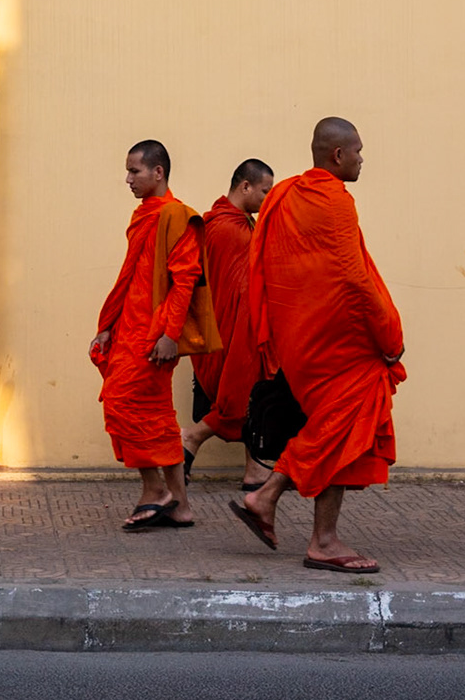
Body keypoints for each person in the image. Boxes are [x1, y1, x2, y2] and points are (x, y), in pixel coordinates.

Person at [229, 118, 405, 573]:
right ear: (338, 156)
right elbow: (353, 276)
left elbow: (265, 265)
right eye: (359, 152)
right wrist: (389, 334)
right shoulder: (335, 202)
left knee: (335, 429)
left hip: (299, 339)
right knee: (338, 425)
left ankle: (285, 512)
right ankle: (307, 530)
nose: (363, 159)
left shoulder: (284, 194)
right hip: (338, 345)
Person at [89, 140, 221, 531]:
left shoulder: (177, 217)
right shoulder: (145, 215)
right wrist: (109, 325)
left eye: (135, 171)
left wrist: (169, 334)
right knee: (159, 416)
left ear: (158, 172)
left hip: (153, 332)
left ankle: (154, 492)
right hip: (130, 326)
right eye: (128, 171)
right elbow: (132, 276)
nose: (128, 179)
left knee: (120, 402)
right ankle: (180, 506)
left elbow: (185, 282)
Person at [182, 159, 275, 490]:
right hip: (231, 333)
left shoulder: (239, 224)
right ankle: (191, 438)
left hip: (234, 329)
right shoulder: (227, 229)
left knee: (255, 394)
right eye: (265, 191)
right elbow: (243, 292)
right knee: (248, 390)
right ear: (245, 187)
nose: (268, 198)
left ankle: (255, 470)